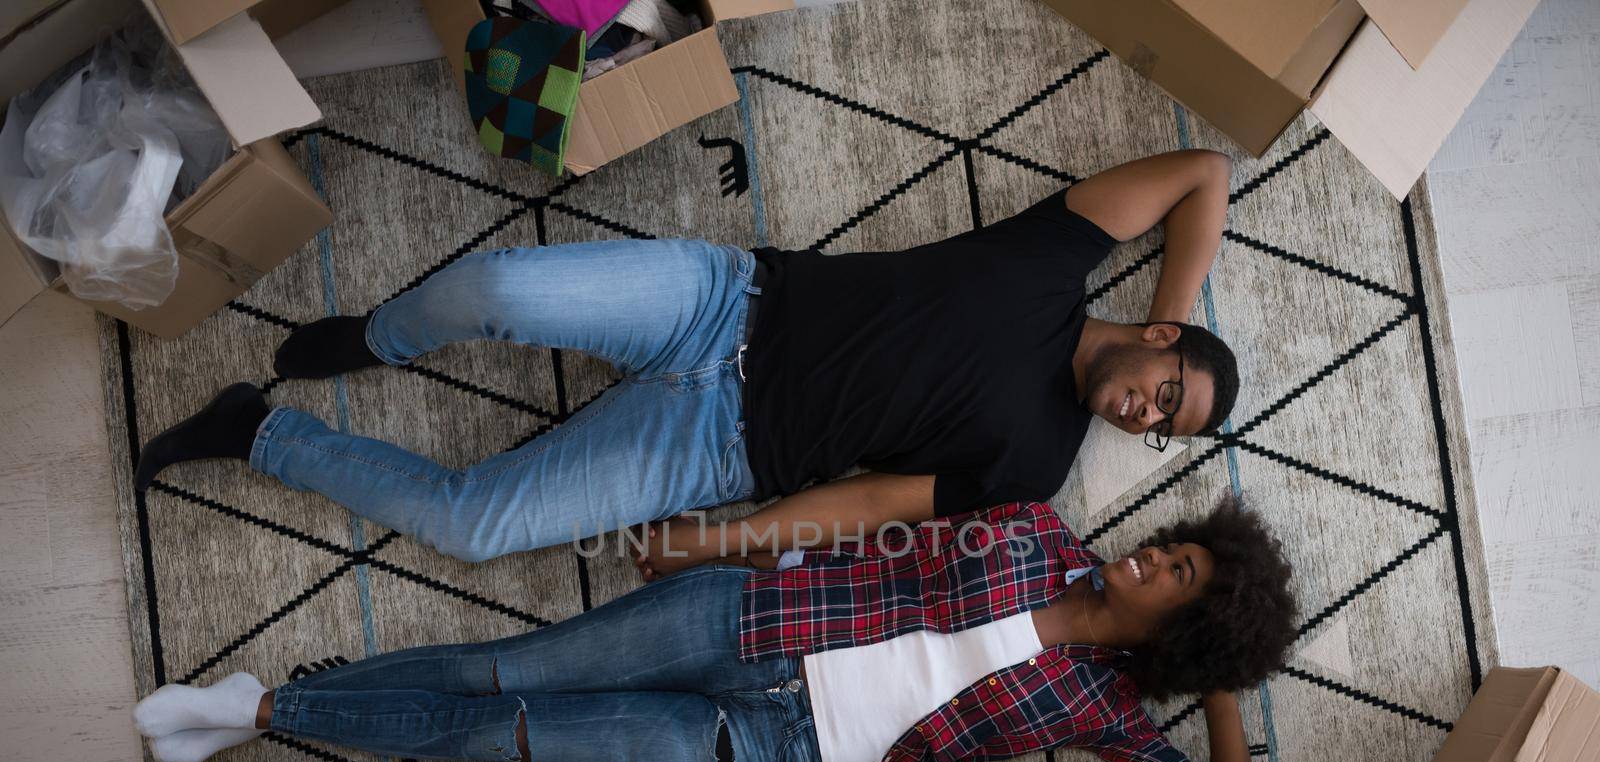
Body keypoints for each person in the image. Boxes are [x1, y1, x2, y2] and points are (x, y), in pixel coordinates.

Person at [131, 150, 1239, 565]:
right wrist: (1174, 316)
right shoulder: (1055, 264)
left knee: (474, 528)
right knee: (500, 289)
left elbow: (869, 505)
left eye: (1162, 427)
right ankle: (378, 337)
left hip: (716, 449)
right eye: (1168, 391)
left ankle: (257, 431)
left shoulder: (1038, 462)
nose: (1147, 413)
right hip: (725, 302)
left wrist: (721, 540)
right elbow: (1203, 174)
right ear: (1155, 338)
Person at [131, 497, 1295, 762]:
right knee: (501, 673)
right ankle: (269, 706)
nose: (1150, 558)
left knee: (511, 737)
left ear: (1174, 636)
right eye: (1175, 549)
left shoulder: (1102, 710)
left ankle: (274, 713)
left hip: (770, 749)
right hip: (748, 621)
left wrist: (1219, 679)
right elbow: (881, 528)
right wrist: (718, 541)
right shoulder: (1038, 531)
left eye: (1176, 580)